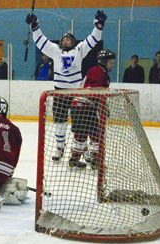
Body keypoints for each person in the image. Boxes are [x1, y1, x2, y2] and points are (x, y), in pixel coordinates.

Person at [26, 10, 106, 161]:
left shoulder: (79, 49)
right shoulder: (55, 50)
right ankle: (59, 148)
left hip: (77, 93)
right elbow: (41, 41)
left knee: (81, 123)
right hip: (60, 92)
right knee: (60, 122)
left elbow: (94, 38)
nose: (65, 40)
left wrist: (99, 25)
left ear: (74, 42)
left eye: (69, 39)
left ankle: (84, 150)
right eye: (63, 38)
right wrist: (35, 26)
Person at [69, 49, 115, 169]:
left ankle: (94, 160)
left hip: (87, 107)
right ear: (102, 61)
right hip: (81, 106)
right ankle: (75, 159)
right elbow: (92, 90)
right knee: (81, 135)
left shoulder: (102, 72)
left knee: (95, 134)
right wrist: (105, 93)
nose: (112, 64)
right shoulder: (97, 71)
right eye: (110, 62)